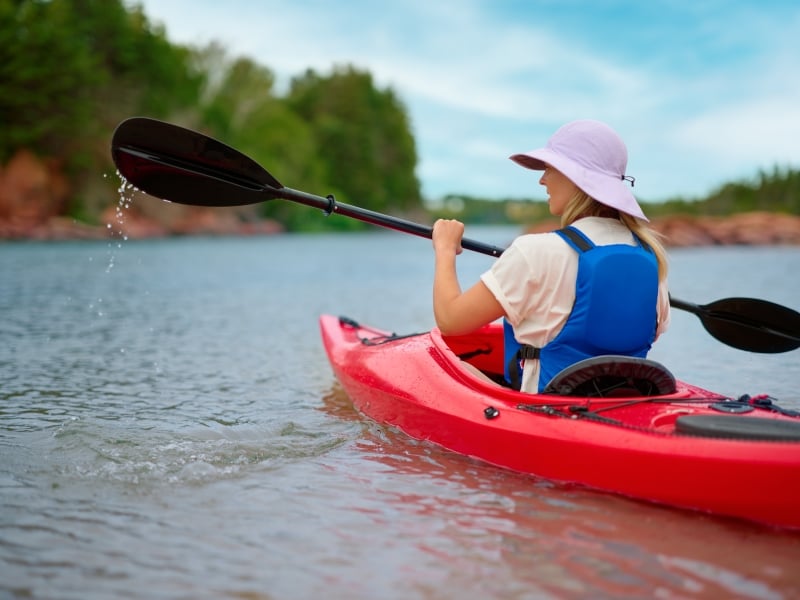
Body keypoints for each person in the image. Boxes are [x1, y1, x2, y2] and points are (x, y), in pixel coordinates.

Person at [431, 119, 670, 393]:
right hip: (623, 402)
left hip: (548, 410)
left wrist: (445, 249)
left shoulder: (534, 252)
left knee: (436, 362)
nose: (542, 179)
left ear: (574, 177)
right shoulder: (651, 260)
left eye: (549, 168)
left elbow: (450, 322)